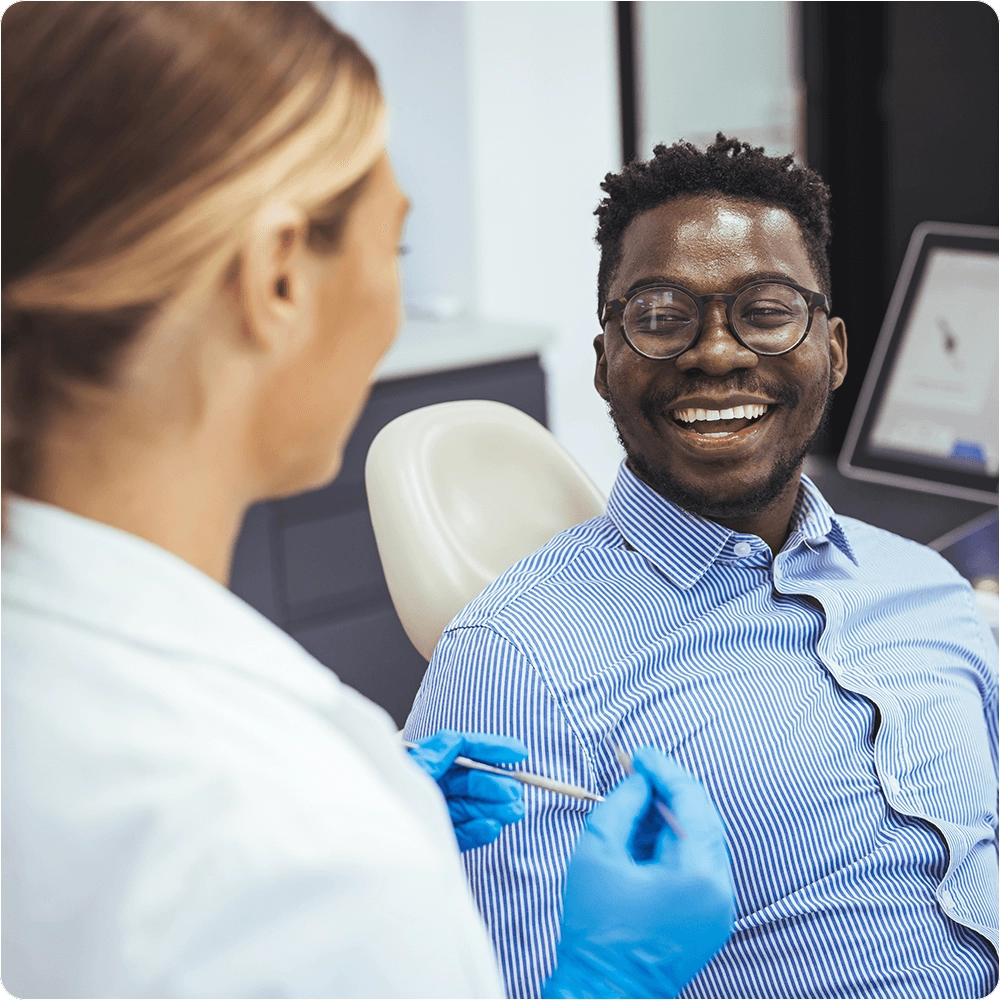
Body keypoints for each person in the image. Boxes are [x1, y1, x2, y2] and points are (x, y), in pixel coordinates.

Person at [0, 6, 737, 997]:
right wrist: (605, 983)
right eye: (390, 250)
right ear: (277, 283)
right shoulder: (307, 840)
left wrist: (378, 788)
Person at [405, 137, 999, 999]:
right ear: (606, 363)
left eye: (765, 311)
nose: (715, 353)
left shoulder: (926, 586)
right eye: (660, 316)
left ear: (832, 350)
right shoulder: (517, 663)